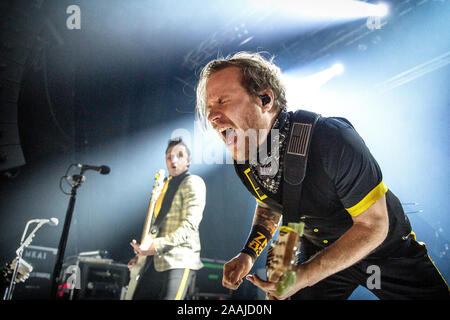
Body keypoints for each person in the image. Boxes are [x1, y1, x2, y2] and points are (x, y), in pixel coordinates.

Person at [195, 51, 449, 300]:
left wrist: (302, 276)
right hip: (320, 252)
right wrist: (248, 254)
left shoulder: (331, 139)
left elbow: (374, 226)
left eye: (222, 101)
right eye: (208, 107)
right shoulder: (246, 157)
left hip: (384, 250)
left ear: (265, 99)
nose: (211, 117)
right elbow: (272, 202)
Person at [128, 138, 206, 300]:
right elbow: (155, 227)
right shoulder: (162, 187)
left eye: (179, 155)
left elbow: (190, 225)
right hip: (156, 260)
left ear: (188, 161)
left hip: (180, 259)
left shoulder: (193, 182)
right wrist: (141, 256)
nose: (173, 160)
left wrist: (155, 247)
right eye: (169, 156)